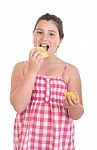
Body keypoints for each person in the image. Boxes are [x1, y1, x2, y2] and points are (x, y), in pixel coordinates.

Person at [10, 13, 84, 150]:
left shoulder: (70, 71)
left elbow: (77, 114)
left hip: (59, 143)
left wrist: (73, 106)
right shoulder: (21, 68)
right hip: (28, 143)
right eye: (39, 32)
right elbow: (18, 106)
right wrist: (32, 71)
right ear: (33, 35)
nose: (44, 38)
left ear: (60, 40)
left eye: (51, 34)